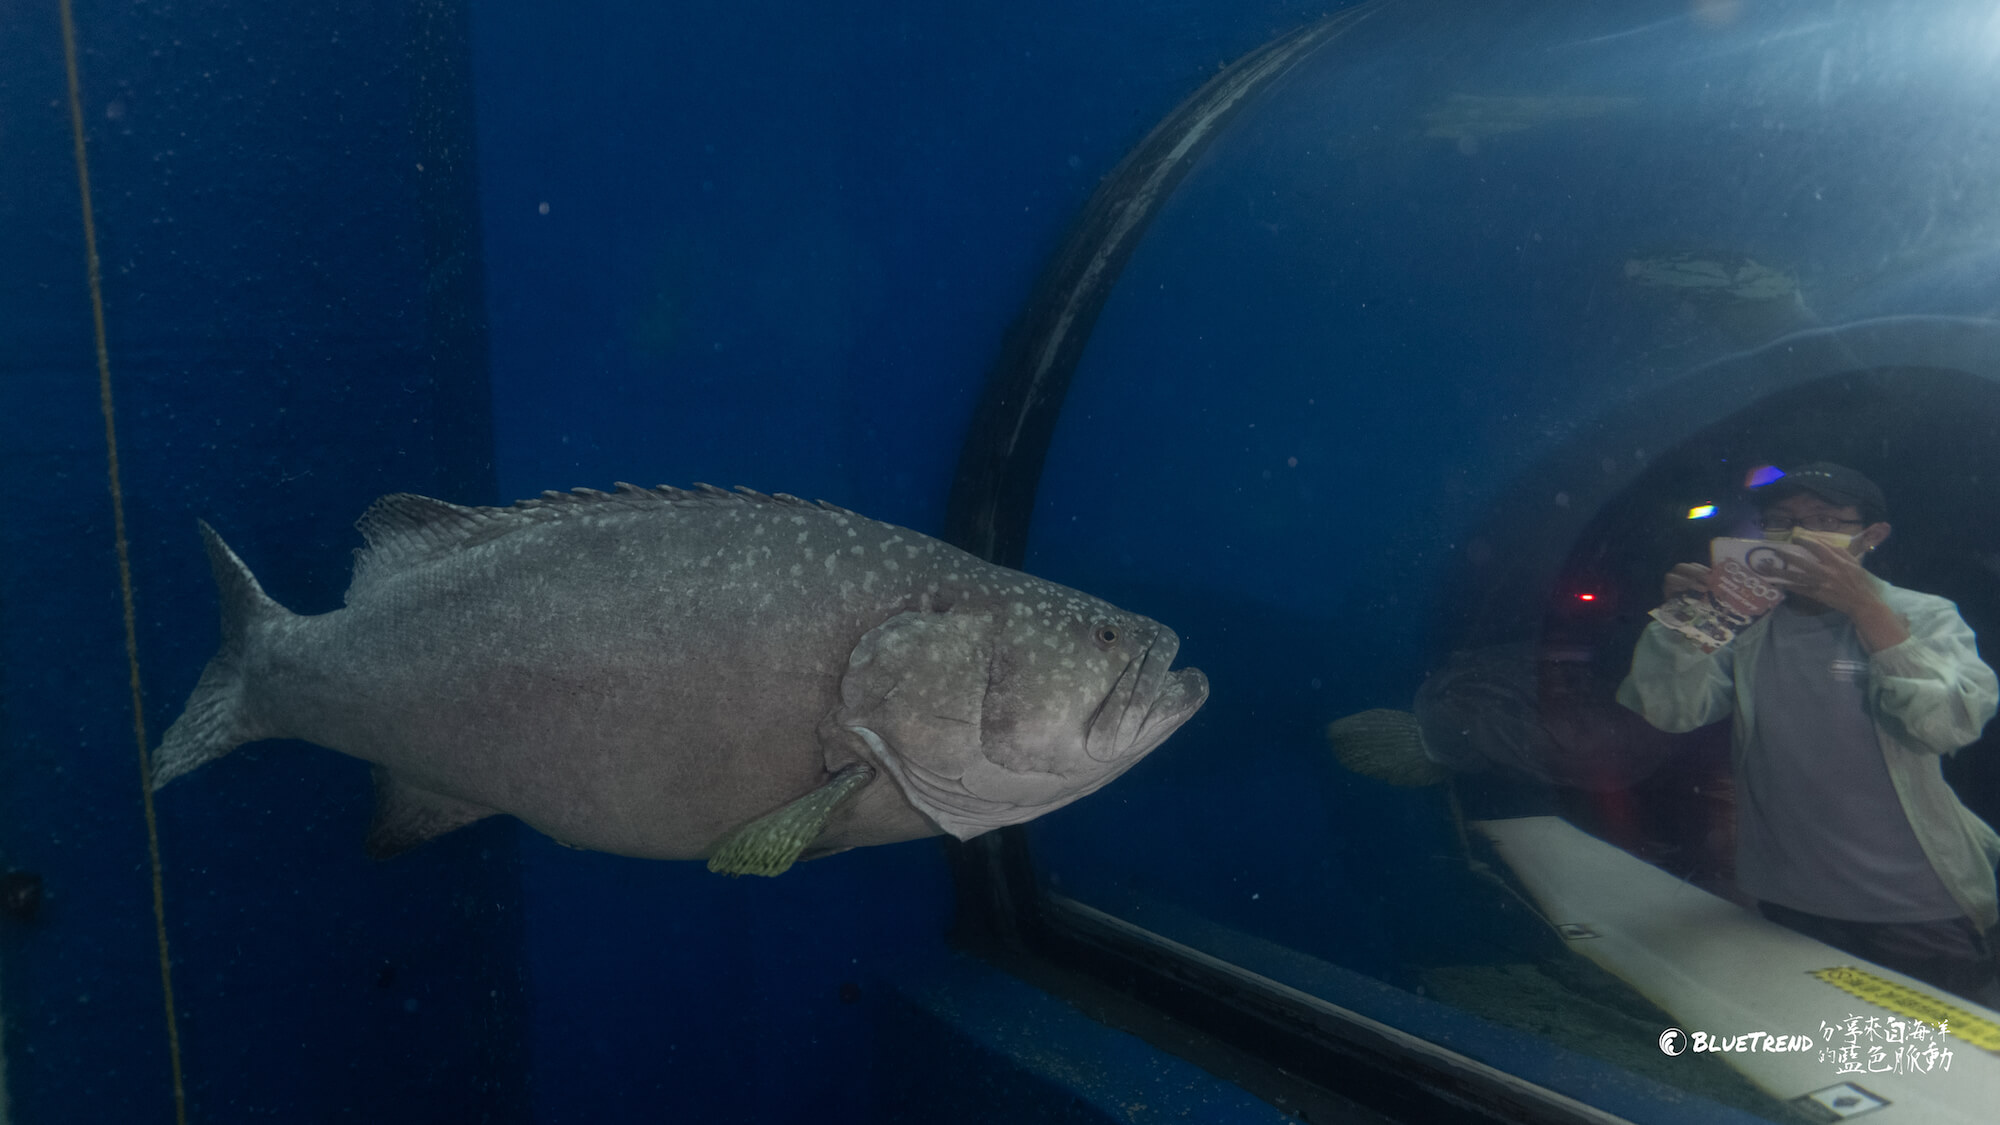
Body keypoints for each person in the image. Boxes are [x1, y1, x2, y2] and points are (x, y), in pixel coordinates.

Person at [1617, 462, 2000, 1006]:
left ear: (1871, 536)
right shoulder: (1745, 621)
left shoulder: (1924, 614)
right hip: (1786, 896)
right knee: (1807, 1051)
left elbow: (1947, 724)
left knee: (1925, 1068)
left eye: (1823, 519)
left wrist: (1867, 609)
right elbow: (1669, 709)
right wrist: (1684, 620)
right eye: (1780, 521)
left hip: (1917, 905)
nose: (1796, 534)